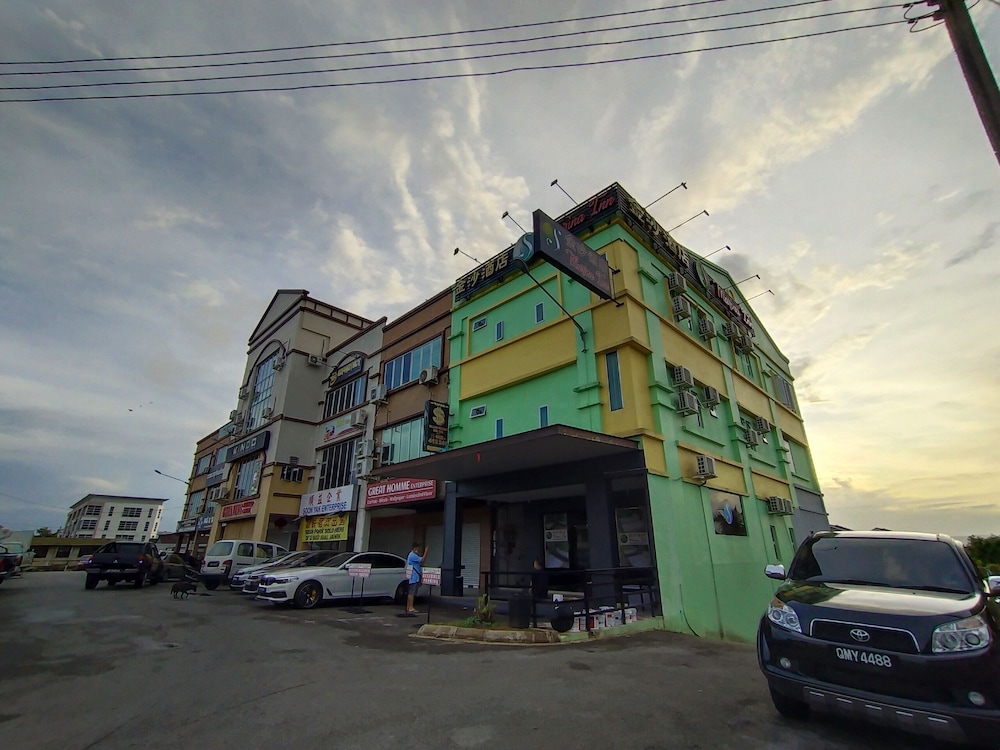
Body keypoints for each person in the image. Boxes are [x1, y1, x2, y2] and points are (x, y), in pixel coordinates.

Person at [405, 542, 428, 614]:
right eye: (417, 548)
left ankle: (408, 607)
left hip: (413, 577)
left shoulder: (411, 555)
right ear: (415, 548)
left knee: (410, 593)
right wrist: (426, 551)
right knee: (412, 593)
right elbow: (422, 560)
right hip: (414, 577)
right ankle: (410, 607)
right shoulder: (413, 555)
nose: (418, 549)